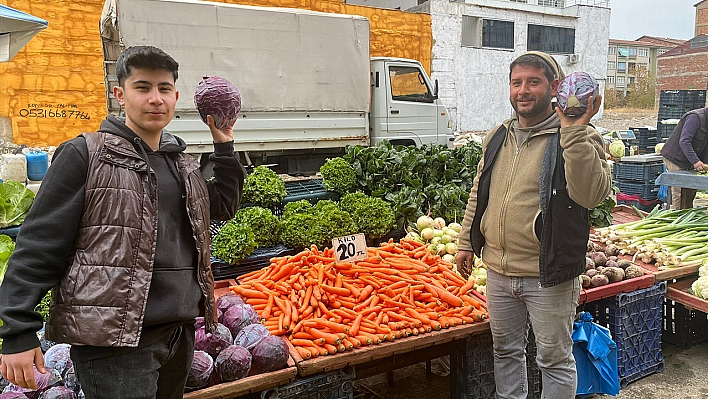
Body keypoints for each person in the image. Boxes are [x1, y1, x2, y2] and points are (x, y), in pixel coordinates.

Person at [0, 45, 246, 397]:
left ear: (176, 97)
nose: (155, 99)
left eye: (164, 89)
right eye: (142, 87)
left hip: (178, 335)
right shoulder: (86, 154)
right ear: (120, 94)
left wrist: (224, 144)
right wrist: (18, 330)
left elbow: (222, 204)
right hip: (114, 344)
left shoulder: (181, 164)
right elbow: (40, 244)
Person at [456, 51, 612, 399]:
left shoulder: (578, 136)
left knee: (553, 360)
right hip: (497, 270)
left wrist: (573, 132)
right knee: (505, 353)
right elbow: (479, 193)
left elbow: (592, 195)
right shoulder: (498, 135)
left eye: (533, 82)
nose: (523, 90)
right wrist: (467, 241)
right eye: (517, 82)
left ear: (555, 87)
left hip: (549, 275)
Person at [660, 107, 708, 209]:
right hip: (675, 158)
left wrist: (705, 163)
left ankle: (687, 215)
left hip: (689, 159)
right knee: (679, 191)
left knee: (691, 190)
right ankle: (678, 217)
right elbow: (684, 141)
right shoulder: (695, 117)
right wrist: (695, 161)